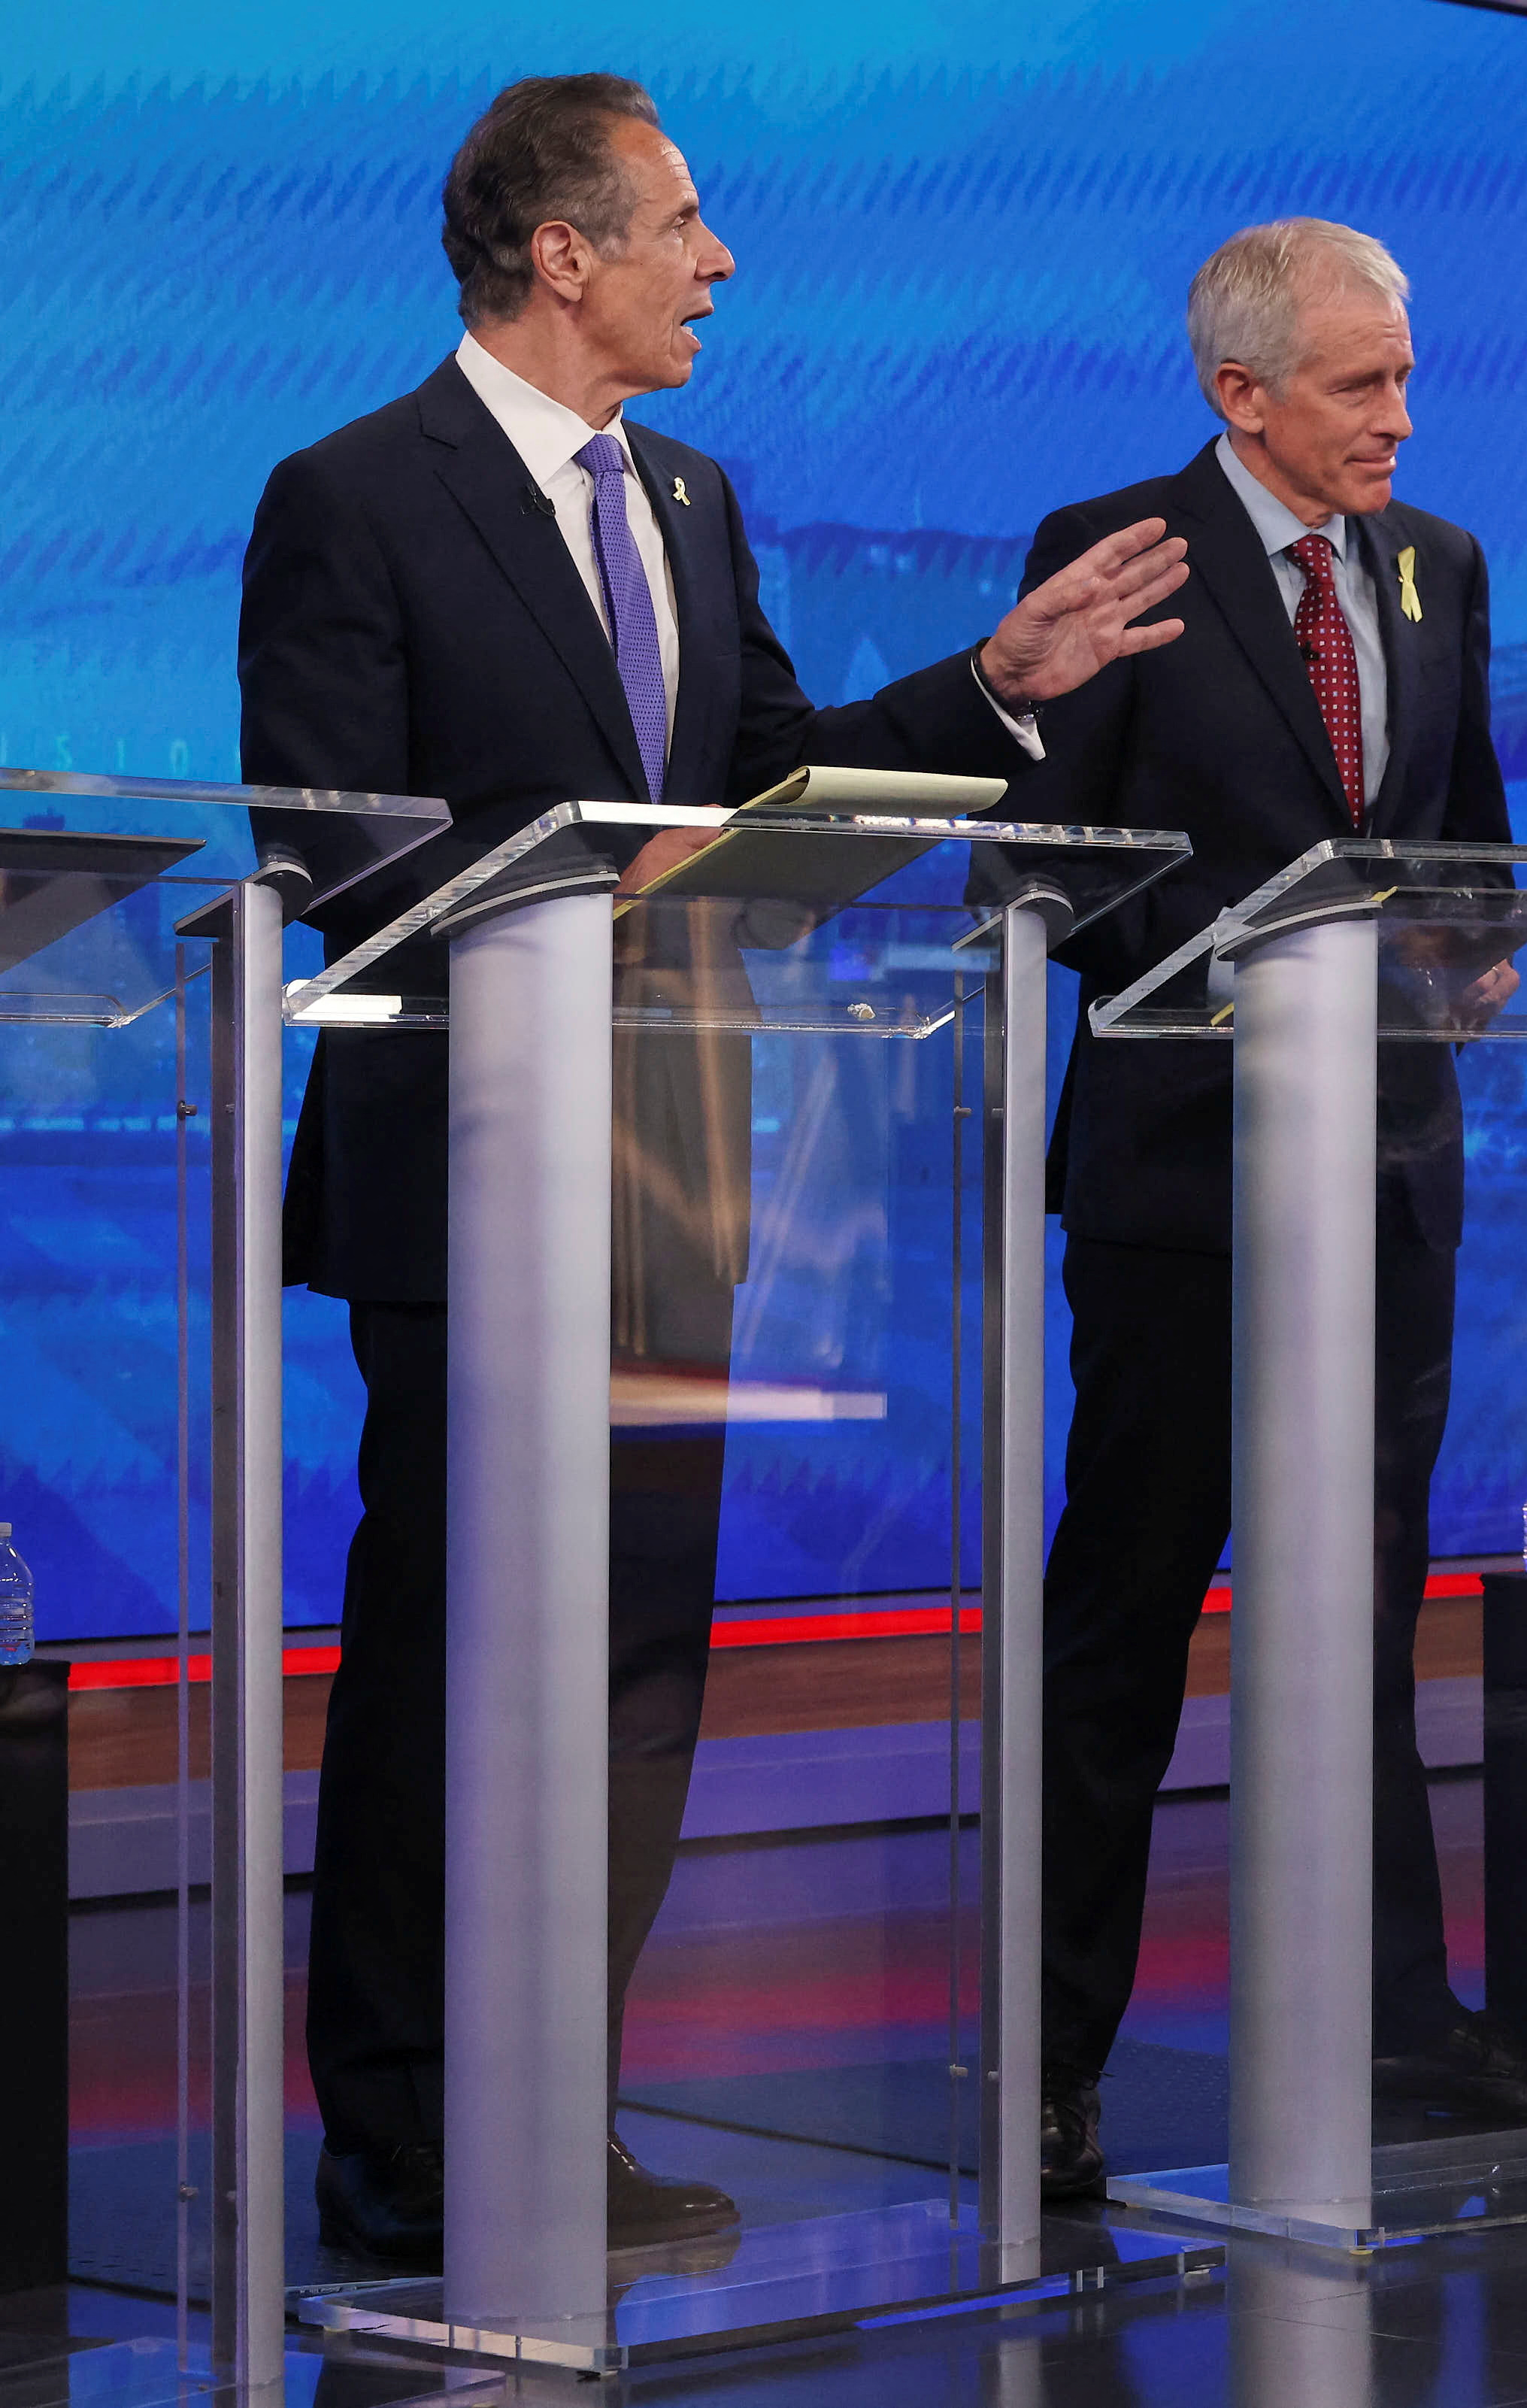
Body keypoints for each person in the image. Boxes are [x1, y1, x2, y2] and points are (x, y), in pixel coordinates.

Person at [238, 73, 1187, 2264]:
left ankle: (550, 2108)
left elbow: (771, 789)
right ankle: (401, 2139)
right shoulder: (352, 494)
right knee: (451, 1655)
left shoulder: (690, 496)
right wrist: (599, 880)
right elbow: (326, 841)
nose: (720, 260)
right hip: (463, 1171)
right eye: (682, 222)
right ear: (560, 251)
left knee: (636, 1669)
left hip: (670, 1158)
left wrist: (993, 683)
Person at [1001, 218, 1527, 2202]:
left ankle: (1396, 2026)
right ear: (1241, 392)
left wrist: (1471, 938)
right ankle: (1048, 2059)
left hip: (1388, 1172)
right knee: (1125, 1623)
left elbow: (1467, 839)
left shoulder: (1439, 562)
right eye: (1362, 384)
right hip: (1186, 1182)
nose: (1400, 417)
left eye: (1406, 375)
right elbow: (1043, 875)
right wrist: (1263, 960)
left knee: (1358, 1616)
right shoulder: (1118, 557)